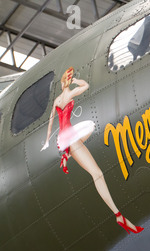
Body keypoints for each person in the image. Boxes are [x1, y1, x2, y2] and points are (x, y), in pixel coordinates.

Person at [41, 67, 143, 235]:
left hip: (65, 135)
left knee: (91, 127)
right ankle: (119, 215)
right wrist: (75, 82)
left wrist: (46, 141)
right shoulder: (69, 94)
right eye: (70, 78)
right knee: (97, 174)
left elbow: (52, 121)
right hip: (70, 137)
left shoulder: (58, 99)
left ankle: (66, 154)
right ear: (67, 81)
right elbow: (86, 86)